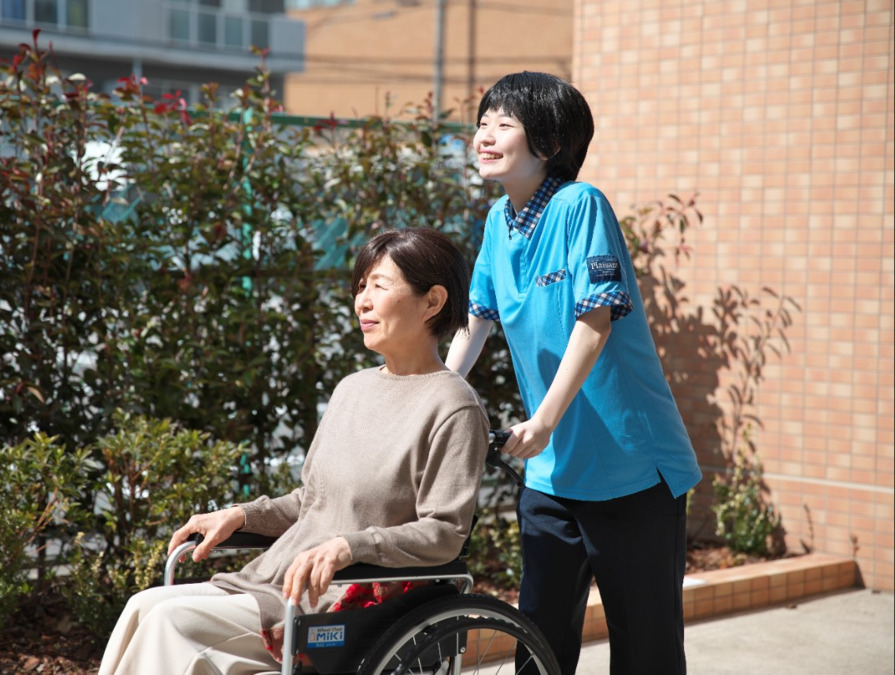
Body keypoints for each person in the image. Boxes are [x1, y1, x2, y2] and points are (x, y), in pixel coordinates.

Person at [99, 227, 490, 675]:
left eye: (379, 286)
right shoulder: (352, 389)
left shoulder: (453, 405)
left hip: (343, 601)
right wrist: (243, 515)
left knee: (168, 620)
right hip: (276, 581)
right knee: (141, 606)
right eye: (360, 287)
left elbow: (444, 532)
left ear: (432, 302)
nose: (361, 301)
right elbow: (312, 501)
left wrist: (351, 545)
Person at [445, 71, 703, 675]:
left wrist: (542, 421)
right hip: (552, 478)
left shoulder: (578, 205)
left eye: (504, 124)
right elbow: (475, 322)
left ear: (551, 142)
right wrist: (431, 397)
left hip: (634, 474)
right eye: (483, 122)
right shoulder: (497, 224)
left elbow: (595, 323)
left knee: (645, 653)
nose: (485, 134)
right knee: (538, 646)